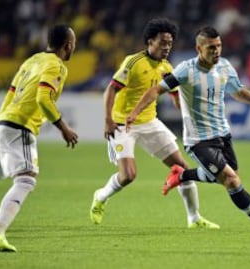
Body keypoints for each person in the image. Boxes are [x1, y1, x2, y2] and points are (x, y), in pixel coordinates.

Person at [126, 26, 250, 235]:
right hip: (198, 140)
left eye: (219, 46)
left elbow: (239, 92)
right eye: (211, 47)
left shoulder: (225, 67)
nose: (216, 51)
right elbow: (157, 89)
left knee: (227, 177)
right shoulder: (185, 70)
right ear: (198, 48)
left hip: (223, 134)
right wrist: (135, 112)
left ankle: (181, 175)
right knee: (231, 180)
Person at [90, 18, 219, 229]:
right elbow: (110, 90)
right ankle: (101, 196)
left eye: (170, 43)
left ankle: (194, 218)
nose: (167, 47)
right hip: (123, 124)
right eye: (162, 42)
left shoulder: (166, 66)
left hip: (149, 122)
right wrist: (108, 121)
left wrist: (180, 102)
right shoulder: (132, 62)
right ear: (150, 41)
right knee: (128, 176)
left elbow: (173, 90)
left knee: (182, 169)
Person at [0, 25, 78, 252]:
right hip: (20, 127)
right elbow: (44, 99)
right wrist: (63, 127)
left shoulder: (32, 60)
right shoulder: (57, 65)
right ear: (68, 45)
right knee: (26, 179)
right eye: (73, 43)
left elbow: (11, 95)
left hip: (4, 123)